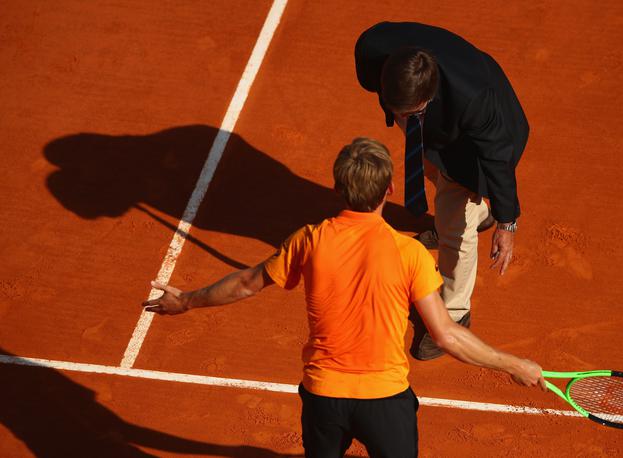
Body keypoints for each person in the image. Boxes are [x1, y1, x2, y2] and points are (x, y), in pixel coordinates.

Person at [143, 138, 545, 458]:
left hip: (323, 398)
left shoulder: (310, 240)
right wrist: (513, 364)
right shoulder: (411, 254)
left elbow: (246, 283)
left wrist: (188, 301)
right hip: (385, 401)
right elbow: (445, 336)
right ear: (389, 188)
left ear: (338, 188)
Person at [354, 21, 531, 360]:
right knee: (432, 169)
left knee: (455, 223)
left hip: (482, 144)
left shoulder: (475, 101)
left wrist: (508, 224)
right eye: (398, 113)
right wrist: (409, 119)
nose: (404, 120)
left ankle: (454, 313)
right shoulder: (374, 50)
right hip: (441, 130)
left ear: (430, 97)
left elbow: (497, 158)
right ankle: (480, 213)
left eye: (413, 113)